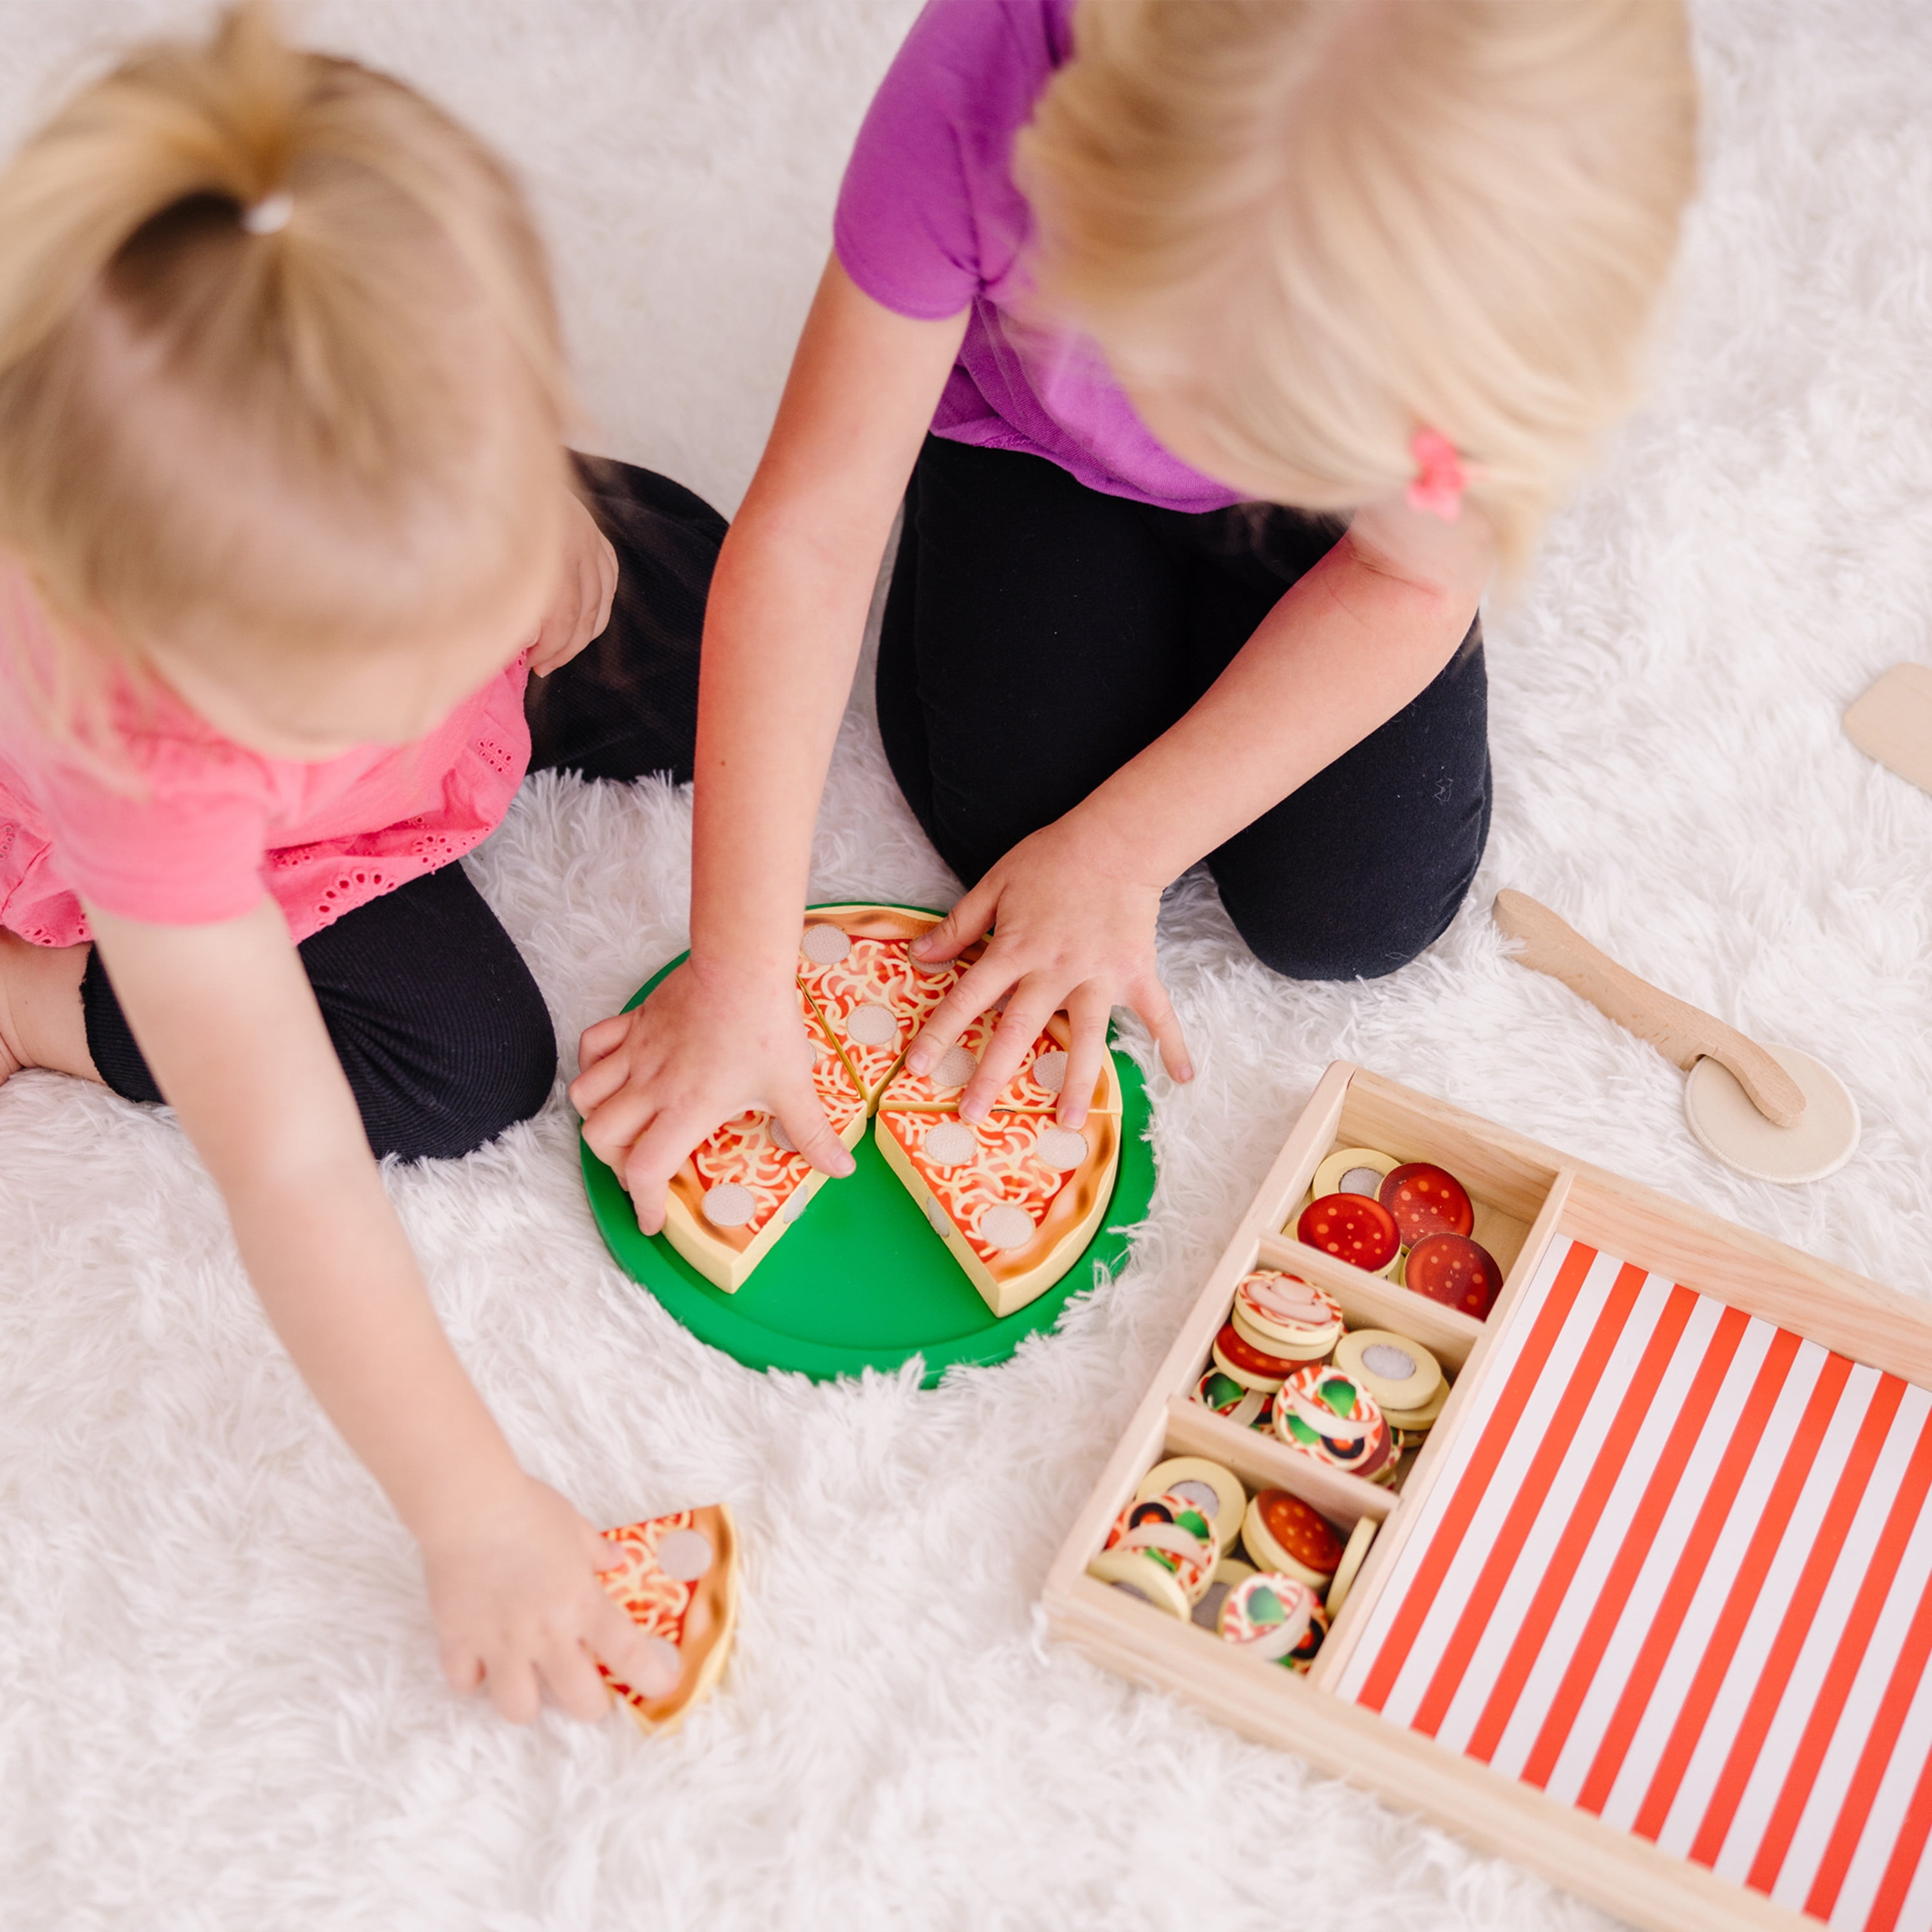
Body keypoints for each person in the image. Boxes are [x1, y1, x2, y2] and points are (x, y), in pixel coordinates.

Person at [572, 0, 1699, 1232]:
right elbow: (810, 535)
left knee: (1353, 917)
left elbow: (1411, 576)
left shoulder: (1491, 271)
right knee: (1002, 832)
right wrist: (739, 970)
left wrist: (1124, 846)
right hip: (1029, 443)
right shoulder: (983, 77)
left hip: (1364, 542)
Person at [0, 5, 724, 1721]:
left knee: (691, 592)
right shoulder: (140, 755)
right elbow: (296, 1175)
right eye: (377, 667)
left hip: (374, 570)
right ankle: (31, 1006)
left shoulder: (404, 420)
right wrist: (473, 1508)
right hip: (225, 863)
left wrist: (541, 548)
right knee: (458, 1067)